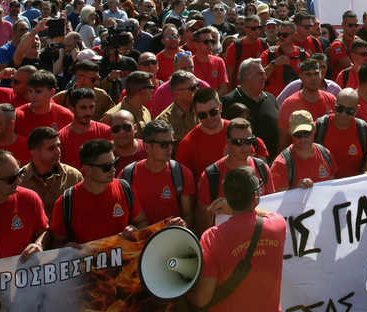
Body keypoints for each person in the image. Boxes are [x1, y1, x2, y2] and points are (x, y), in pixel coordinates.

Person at [188, 165, 287, 312]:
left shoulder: (212, 238)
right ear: (255, 197)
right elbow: (269, 214)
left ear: (227, 196)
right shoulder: (278, 224)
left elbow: (202, 299)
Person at [49, 139, 151, 249]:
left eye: (115, 163)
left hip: (124, 263)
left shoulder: (124, 189)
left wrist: (136, 232)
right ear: (87, 169)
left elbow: (142, 221)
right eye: (106, 166)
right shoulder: (66, 202)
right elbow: (56, 242)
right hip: (86, 264)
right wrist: (66, 249)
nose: (113, 169)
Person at [121, 119, 196, 228]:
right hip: (140, 242)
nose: (170, 149)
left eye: (172, 143)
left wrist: (184, 225)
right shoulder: (128, 175)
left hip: (171, 240)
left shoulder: (182, 174)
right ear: (147, 147)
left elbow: (188, 215)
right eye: (164, 145)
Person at [221, 59, 281, 159]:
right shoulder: (228, 101)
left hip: (273, 161)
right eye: (260, 74)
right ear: (246, 77)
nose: (265, 77)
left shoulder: (270, 98)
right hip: (244, 162)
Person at [313, 89, 367, 177]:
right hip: (325, 188)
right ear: (334, 104)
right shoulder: (319, 127)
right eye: (340, 108)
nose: (344, 114)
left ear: (357, 109)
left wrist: (366, 174)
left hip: (354, 187)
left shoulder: (365, 130)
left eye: (349, 111)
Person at [270, 110, 337, 191]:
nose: (303, 138)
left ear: (314, 129)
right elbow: (277, 200)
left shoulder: (326, 154)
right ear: (291, 133)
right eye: (297, 134)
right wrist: (296, 191)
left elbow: (332, 188)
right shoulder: (280, 165)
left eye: (306, 133)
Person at [20, 127, 82, 213]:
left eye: (58, 146)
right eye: (51, 148)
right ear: (34, 153)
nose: (58, 151)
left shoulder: (73, 176)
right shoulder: (20, 179)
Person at [176, 87, 232, 177]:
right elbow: (184, 180)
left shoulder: (236, 131)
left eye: (213, 112)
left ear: (220, 107)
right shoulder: (187, 143)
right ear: (196, 114)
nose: (209, 117)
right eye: (203, 115)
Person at [58, 87, 113, 170]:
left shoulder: (106, 132)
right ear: (72, 109)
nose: (88, 112)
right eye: (83, 108)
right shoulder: (61, 137)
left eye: (91, 107)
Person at [15, 71, 74, 136]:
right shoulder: (17, 116)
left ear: (51, 93)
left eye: (38, 91)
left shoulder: (66, 116)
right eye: (30, 91)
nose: (32, 96)